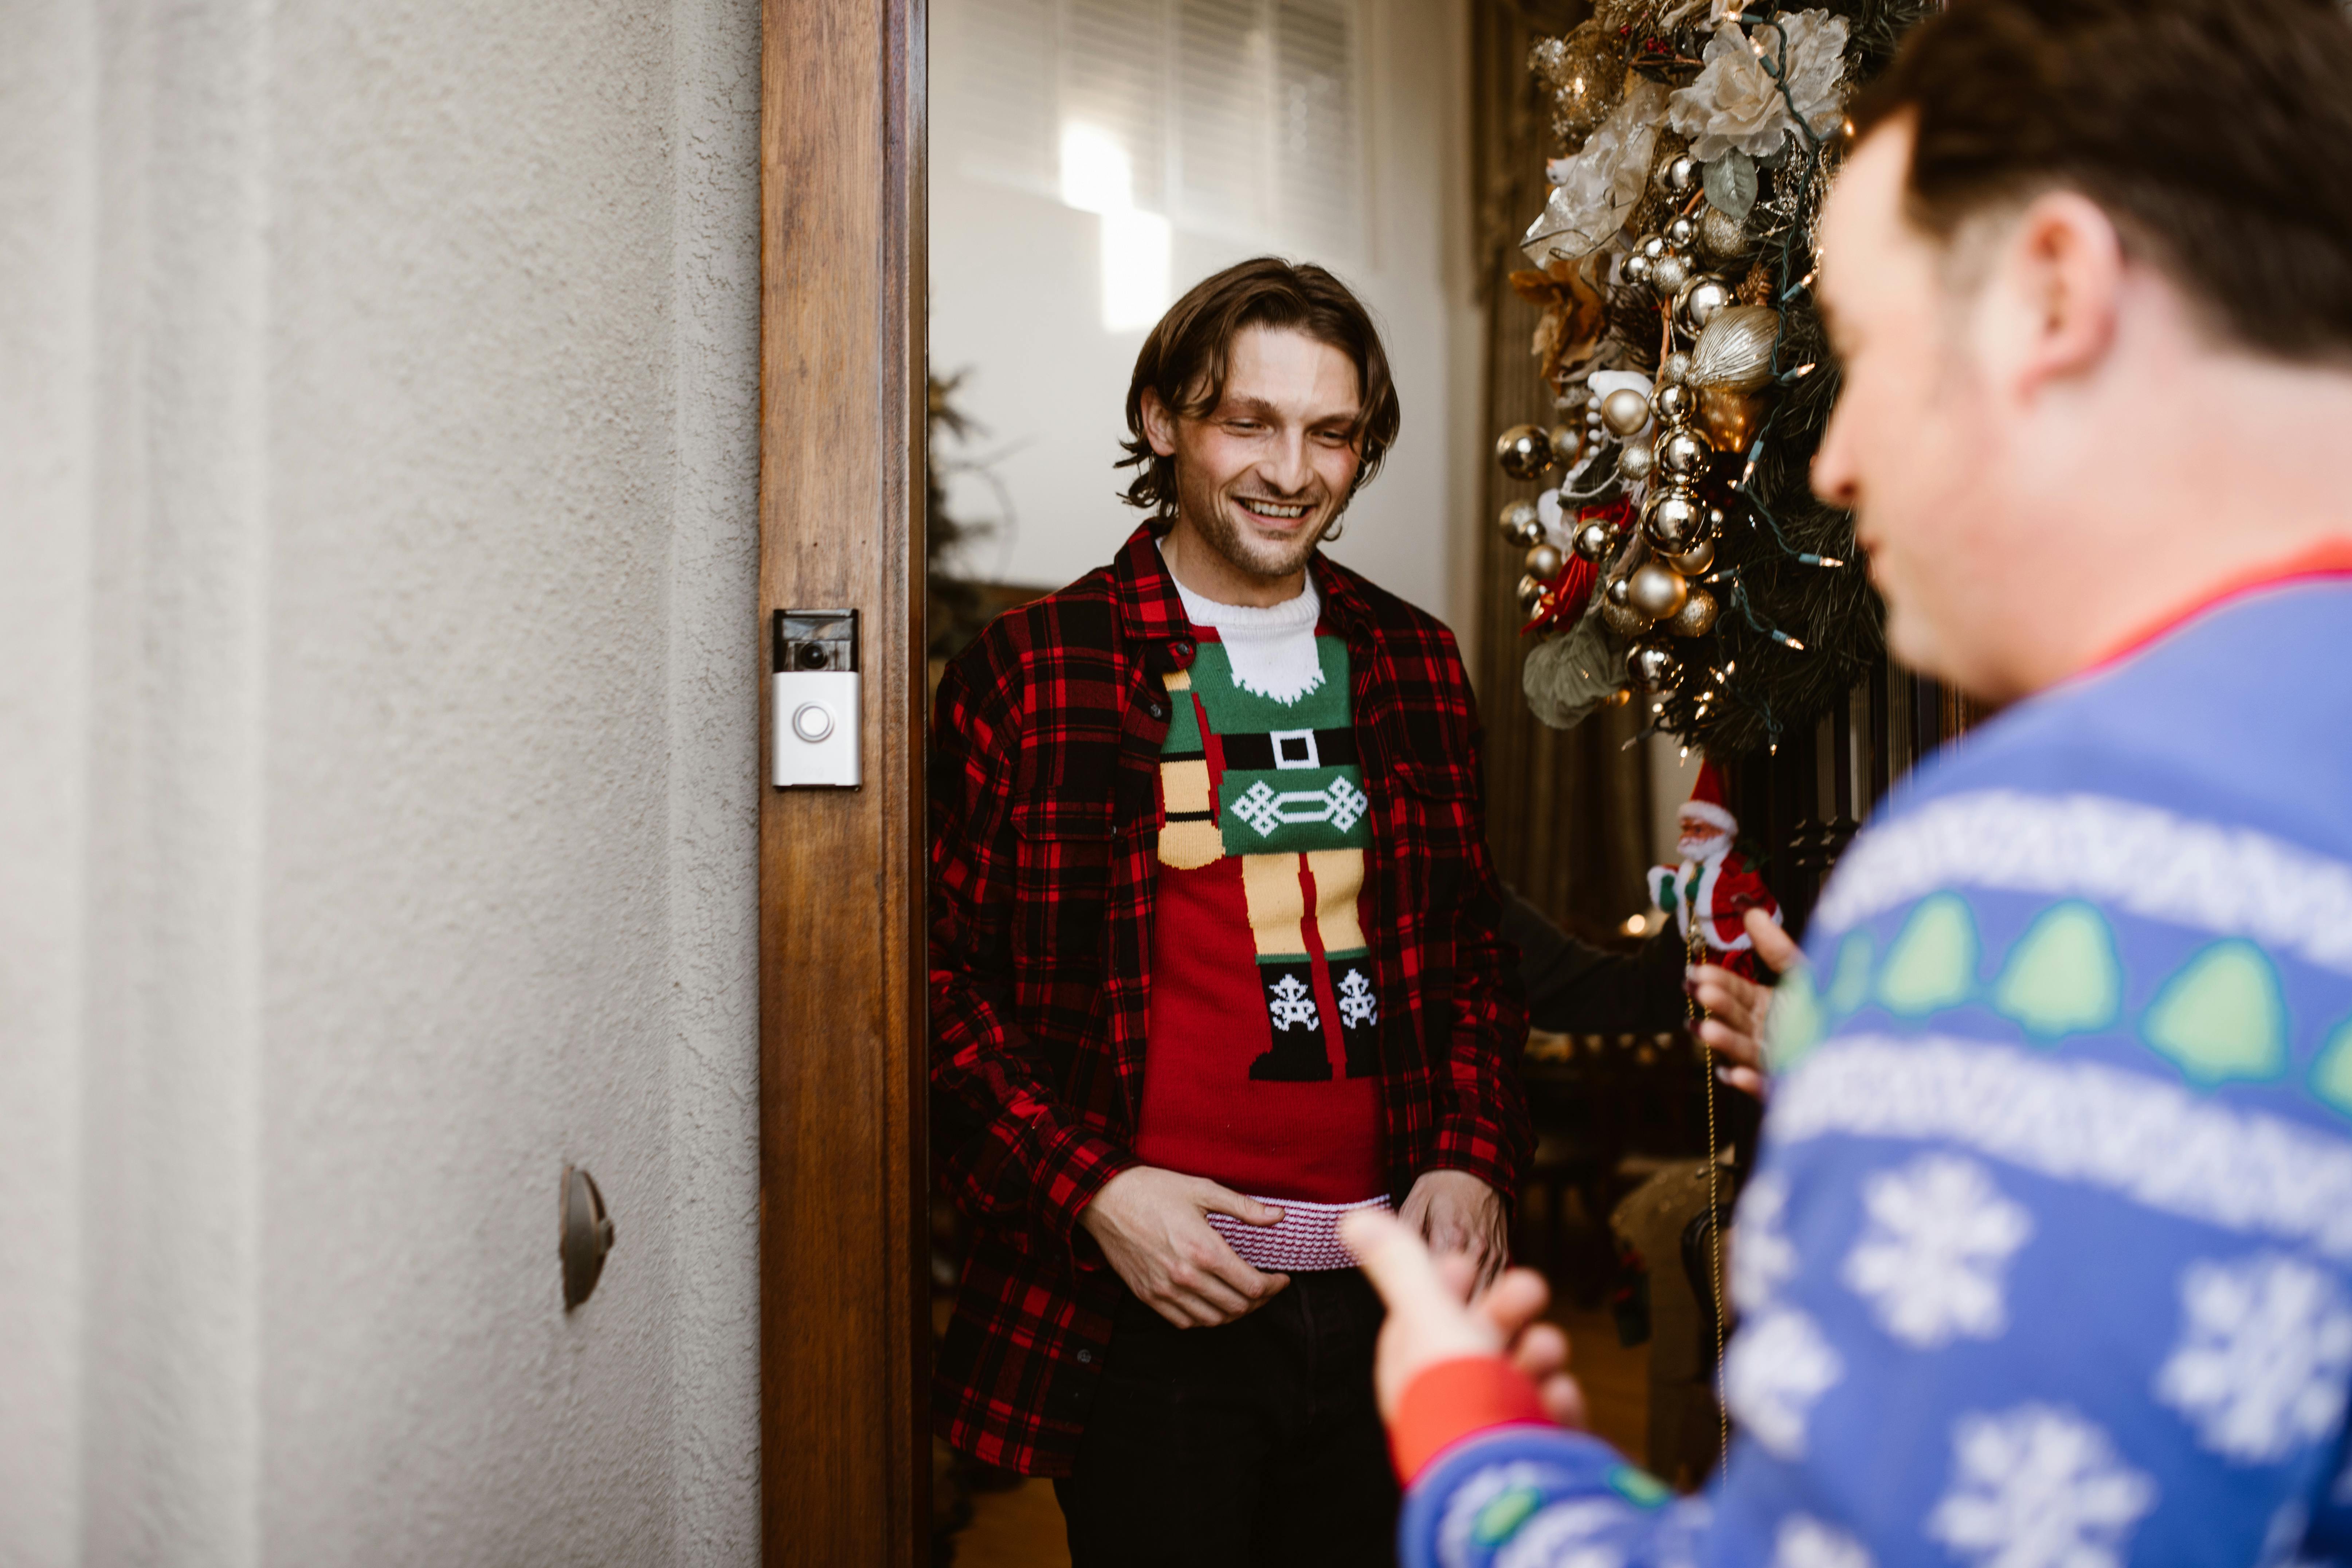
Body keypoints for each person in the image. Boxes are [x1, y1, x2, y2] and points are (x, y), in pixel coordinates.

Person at [1340, 0, 2352, 1562]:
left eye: (1867, 355)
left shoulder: (2053, 866)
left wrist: (1478, 1447)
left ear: (2053, 294)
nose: (1830, 459)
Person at [928, 256, 1532, 1564]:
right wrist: (1091, 1189)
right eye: (1245, 421)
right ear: (1161, 420)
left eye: (1329, 431)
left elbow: (1466, 956)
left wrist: (1466, 1153)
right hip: (1150, 1313)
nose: (1289, 468)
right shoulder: (1032, 670)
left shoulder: (1413, 661)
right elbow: (928, 991)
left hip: (1386, 1300)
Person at [1647, 763, 1781, 983]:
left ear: (1719, 831)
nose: (1688, 836)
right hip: (1701, 946)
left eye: (1697, 829)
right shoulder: (1693, 865)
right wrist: (1666, 882)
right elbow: (1680, 876)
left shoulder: (1732, 865)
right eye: (1686, 829)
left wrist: (1705, 890)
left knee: (1733, 986)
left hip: (1731, 944)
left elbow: (1747, 888)